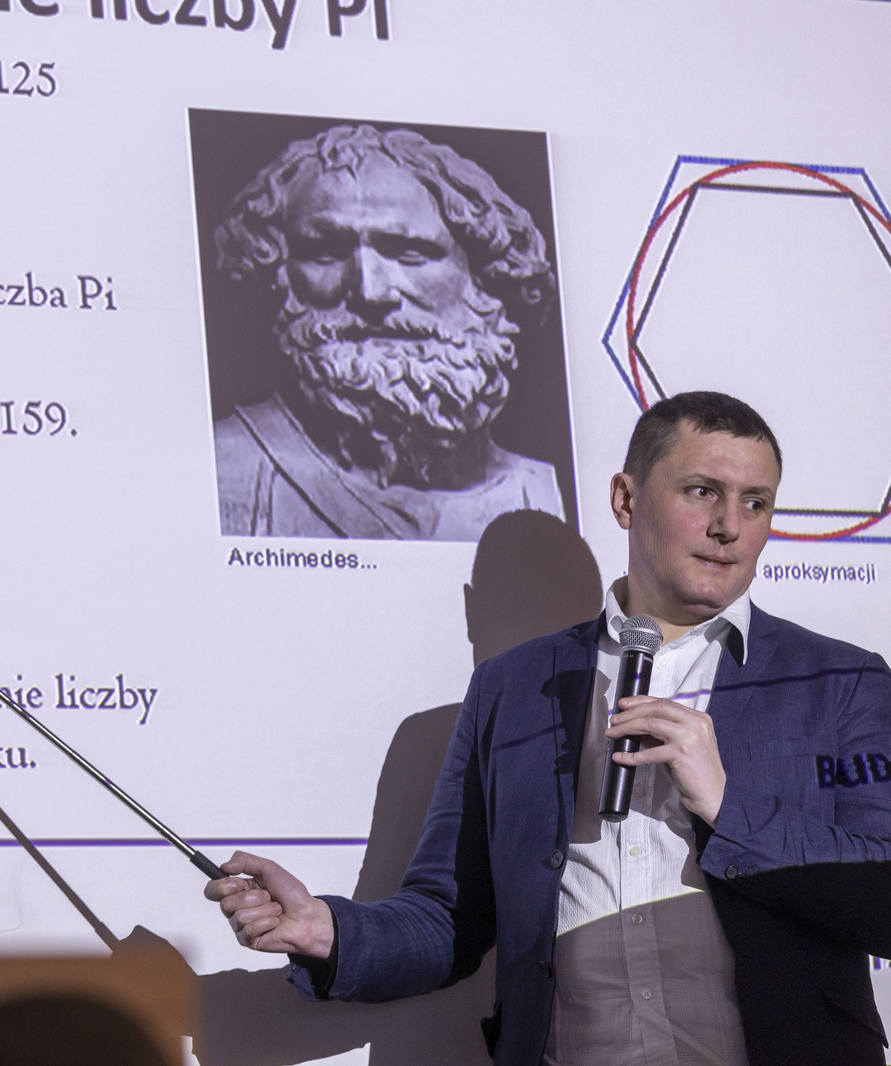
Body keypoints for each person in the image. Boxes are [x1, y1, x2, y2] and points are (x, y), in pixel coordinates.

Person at [206, 392, 891, 1065]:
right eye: (702, 491)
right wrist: (327, 931)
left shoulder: (842, 682)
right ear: (625, 499)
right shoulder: (510, 688)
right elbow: (449, 916)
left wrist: (727, 806)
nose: (729, 526)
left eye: (755, 503)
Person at [212, 124, 565, 541]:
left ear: (483, 275)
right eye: (325, 253)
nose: (370, 291)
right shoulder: (223, 468)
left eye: (410, 253)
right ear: (277, 273)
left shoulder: (549, 491)